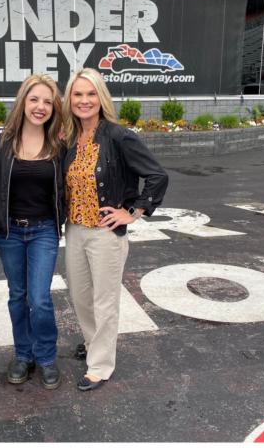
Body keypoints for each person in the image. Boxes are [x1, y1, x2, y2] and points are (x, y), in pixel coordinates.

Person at [62, 68, 168, 391]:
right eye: (78, 94)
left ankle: (101, 365)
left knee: (104, 301)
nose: (84, 100)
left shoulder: (118, 136)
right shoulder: (69, 138)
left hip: (105, 233)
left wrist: (132, 212)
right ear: (70, 99)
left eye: (91, 94)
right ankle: (95, 343)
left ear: (101, 97)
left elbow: (157, 175)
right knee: (80, 297)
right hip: (75, 229)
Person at [0, 74, 65, 390]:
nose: (40, 106)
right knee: (17, 296)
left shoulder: (60, 143)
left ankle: (46, 356)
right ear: (23, 101)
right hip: (9, 232)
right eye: (34, 99)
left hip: (44, 230)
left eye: (47, 101)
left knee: (40, 298)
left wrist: (128, 205)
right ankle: (23, 355)